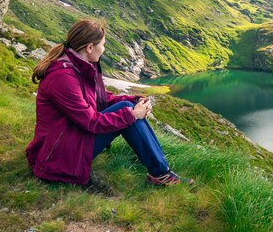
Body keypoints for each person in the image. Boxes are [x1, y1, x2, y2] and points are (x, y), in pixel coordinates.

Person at [26, 19, 193, 187]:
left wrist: (134, 100)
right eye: (103, 45)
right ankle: (161, 173)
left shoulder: (76, 67)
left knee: (128, 108)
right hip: (57, 156)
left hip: (70, 140)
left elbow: (100, 99)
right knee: (128, 113)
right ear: (90, 47)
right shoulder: (63, 76)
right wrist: (132, 114)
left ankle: (161, 172)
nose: (103, 49)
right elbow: (90, 122)